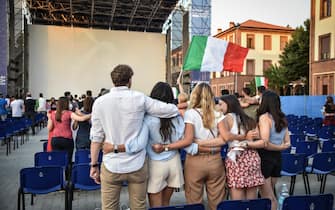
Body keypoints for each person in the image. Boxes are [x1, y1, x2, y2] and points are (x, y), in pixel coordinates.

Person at [151, 83, 257, 210]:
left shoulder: (190, 114)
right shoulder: (218, 114)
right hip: (215, 160)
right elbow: (223, 139)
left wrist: (199, 143)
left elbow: (188, 140)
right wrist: (213, 146)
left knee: (194, 201)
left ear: (195, 96)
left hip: (195, 161)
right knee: (217, 201)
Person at [89, 64, 179, 210]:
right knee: (139, 206)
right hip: (136, 164)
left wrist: (93, 165)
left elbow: (96, 138)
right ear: (130, 80)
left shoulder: (99, 103)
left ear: (113, 81)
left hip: (112, 164)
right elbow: (169, 110)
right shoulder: (139, 98)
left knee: (109, 207)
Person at [198, 95, 264, 200]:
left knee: (237, 199)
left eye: (220, 104)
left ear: (228, 105)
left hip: (236, 158)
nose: (218, 107)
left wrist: (201, 142)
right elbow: (260, 139)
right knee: (251, 200)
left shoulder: (226, 118)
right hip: (252, 157)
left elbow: (223, 138)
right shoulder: (249, 119)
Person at [245, 90, 291, 210]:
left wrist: (247, 143)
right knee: (269, 194)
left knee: (269, 198)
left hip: (265, 158)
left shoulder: (264, 118)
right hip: (277, 159)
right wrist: (280, 147)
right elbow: (288, 142)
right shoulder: (282, 118)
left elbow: (265, 143)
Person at [47, 97, 91, 168]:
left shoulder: (53, 114)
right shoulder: (69, 113)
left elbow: (49, 128)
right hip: (67, 140)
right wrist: (92, 114)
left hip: (55, 140)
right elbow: (82, 119)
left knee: (57, 160)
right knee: (68, 160)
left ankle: (59, 176)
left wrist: (49, 118)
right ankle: (68, 176)